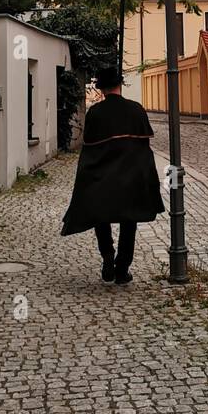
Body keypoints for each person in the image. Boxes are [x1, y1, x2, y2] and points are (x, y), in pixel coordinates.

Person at [60, 64, 163, 285]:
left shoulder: (95, 112)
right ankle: (122, 268)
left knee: (101, 217)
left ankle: (107, 258)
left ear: (102, 89)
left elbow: (89, 150)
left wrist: (86, 179)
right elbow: (145, 150)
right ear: (119, 85)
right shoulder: (136, 110)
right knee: (130, 220)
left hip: (103, 178)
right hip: (132, 178)